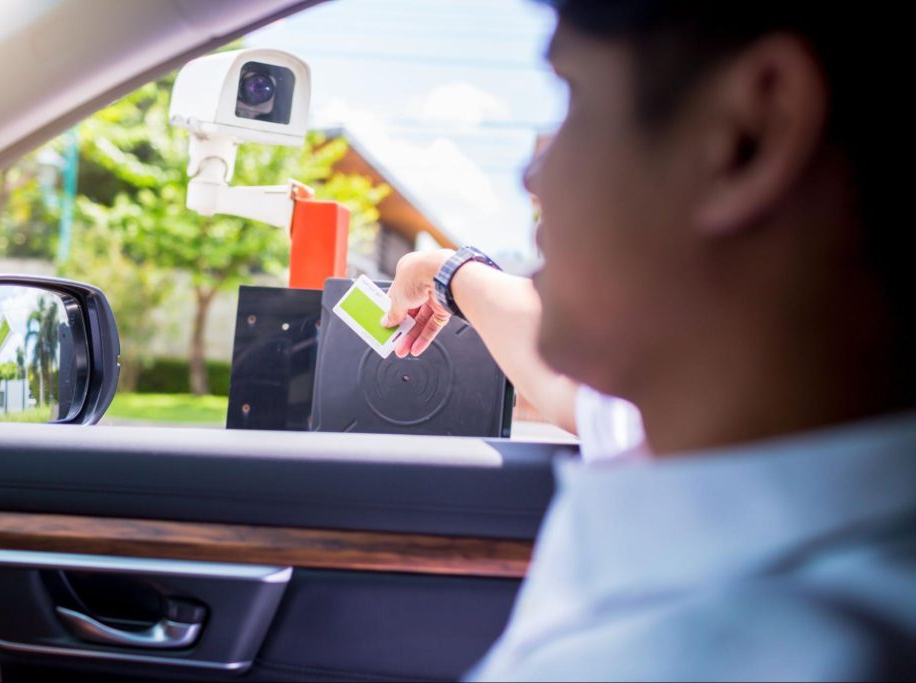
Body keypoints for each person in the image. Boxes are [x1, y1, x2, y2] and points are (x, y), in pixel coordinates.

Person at [391, 1, 916, 680]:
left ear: (747, 134)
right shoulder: (711, 425)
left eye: (573, 93)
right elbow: (559, 386)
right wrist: (447, 272)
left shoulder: (743, 651)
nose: (533, 176)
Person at [384, 248, 645, 462]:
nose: (532, 185)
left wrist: (440, 270)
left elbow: (560, 369)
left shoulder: (639, 411)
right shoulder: (642, 412)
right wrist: (442, 272)